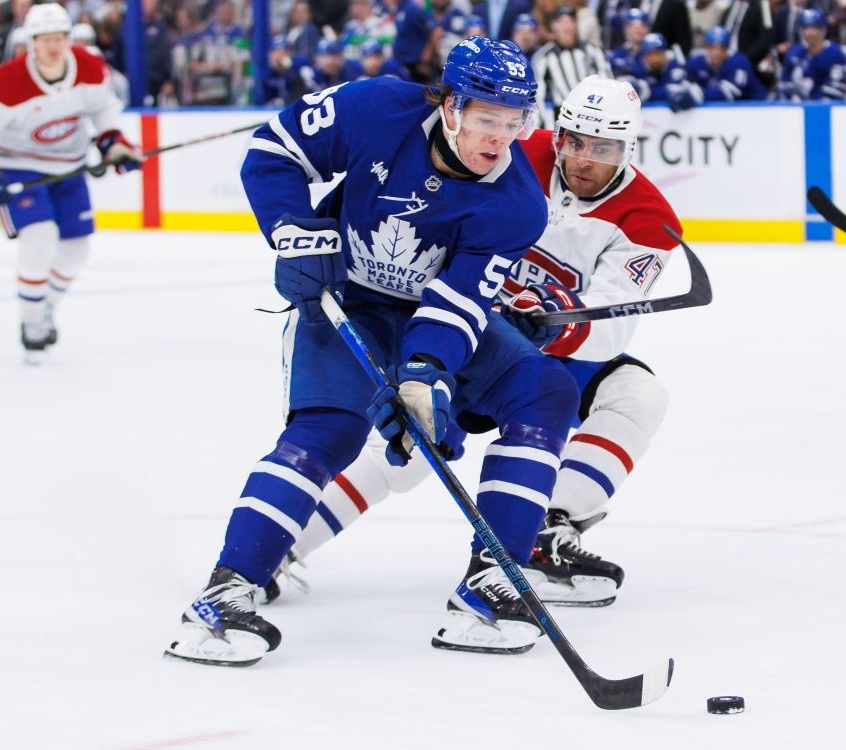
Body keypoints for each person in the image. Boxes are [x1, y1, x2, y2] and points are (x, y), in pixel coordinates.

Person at [164, 37, 584, 666]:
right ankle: (230, 589)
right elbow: (273, 150)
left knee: (545, 392)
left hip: (427, 311)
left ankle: (494, 581)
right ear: (450, 106)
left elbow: (457, 304)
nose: (500, 138)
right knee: (326, 436)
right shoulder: (374, 108)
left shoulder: (519, 203)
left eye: (514, 122)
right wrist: (293, 233)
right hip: (347, 299)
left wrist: (426, 377)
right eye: (486, 119)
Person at [268, 75, 681, 610]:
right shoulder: (508, 154)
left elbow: (611, 324)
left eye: (602, 148)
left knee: (637, 394)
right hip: (465, 329)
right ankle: (278, 549)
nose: (583, 159)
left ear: (627, 148)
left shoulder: (649, 218)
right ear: (557, 134)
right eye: (574, 141)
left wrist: (558, 321)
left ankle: (544, 533)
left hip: (549, 350)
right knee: (408, 450)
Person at [0, 3, 141, 361]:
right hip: (17, 167)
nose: (53, 46)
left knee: (75, 251)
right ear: (31, 42)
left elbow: (103, 112)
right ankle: (31, 321)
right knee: (40, 238)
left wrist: (113, 144)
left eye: (59, 38)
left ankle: (45, 309)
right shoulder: (6, 83)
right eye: (45, 39)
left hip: (68, 167)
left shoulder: (88, 67)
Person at [532, 6, 612, 128]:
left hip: (594, 113)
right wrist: (541, 124)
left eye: (571, 21)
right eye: (562, 21)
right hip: (563, 116)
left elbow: (608, 81)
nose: (567, 26)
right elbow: (538, 94)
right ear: (554, 26)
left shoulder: (592, 51)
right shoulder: (544, 57)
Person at [678, 25, 766, 109]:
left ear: (727, 49)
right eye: (713, 47)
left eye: (722, 48)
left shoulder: (739, 62)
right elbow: (683, 85)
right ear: (706, 48)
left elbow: (729, 92)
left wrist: (700, 94)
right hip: (720, 113)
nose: (717, 52)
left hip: (755, 109)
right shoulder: (696, 62)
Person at [778, 9, 846, 101]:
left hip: (828, 107)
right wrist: (794, 99)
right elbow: (785, 85)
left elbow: (840, 88)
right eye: (806, 28)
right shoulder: (795, 53)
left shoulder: (835, 53)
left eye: (815, 28)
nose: (810, 33)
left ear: (824, 30)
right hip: (798, 107)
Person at [623, 32, 693, 107]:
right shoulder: (636, 72)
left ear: (665, 53)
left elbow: (694, 92)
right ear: (644, 56)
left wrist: (688, 95)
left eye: (658, 53)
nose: (655, 59)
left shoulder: (676, 70)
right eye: (650, 55)